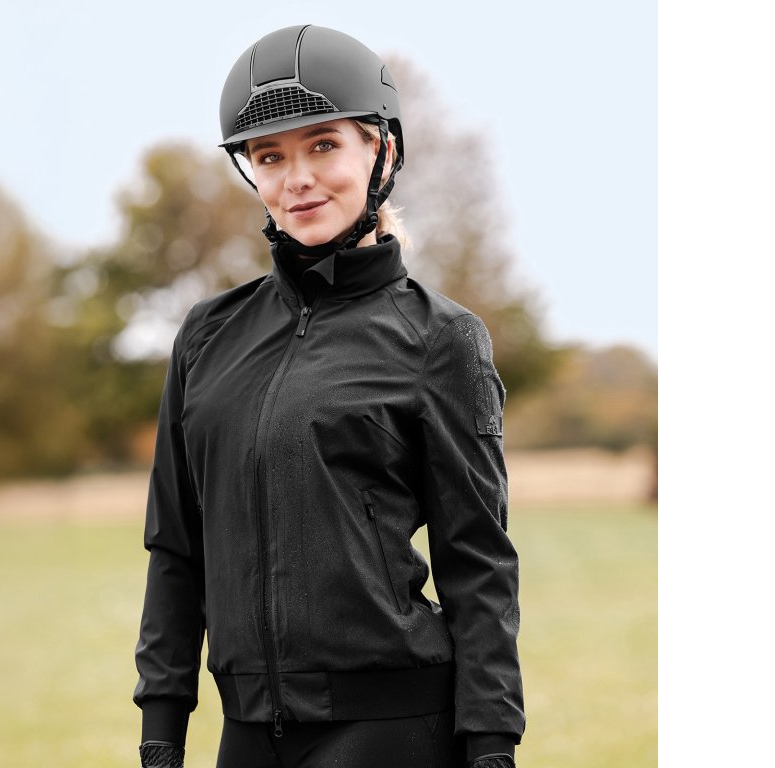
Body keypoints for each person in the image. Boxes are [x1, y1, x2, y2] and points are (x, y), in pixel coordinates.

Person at [134, 24, 524, 768]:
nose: (297, 178)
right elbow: (177, 548)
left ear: (382, 151)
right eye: (269, 156)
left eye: (323, 145)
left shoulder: (441, 339)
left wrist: (491, 746)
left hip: (392, 729)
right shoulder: (207, 337)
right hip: (246, 732)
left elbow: (478, 562)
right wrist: (161, 732)